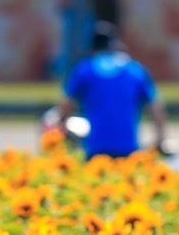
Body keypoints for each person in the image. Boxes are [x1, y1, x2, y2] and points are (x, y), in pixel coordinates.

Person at [58, 23, 168, 158]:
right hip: (129, 148)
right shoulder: (134, 70)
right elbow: (155, 107)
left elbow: (66, 104)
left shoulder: (85, 69)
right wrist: (160, 138)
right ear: (114, 45)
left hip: (95, 149)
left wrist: (62, 128)